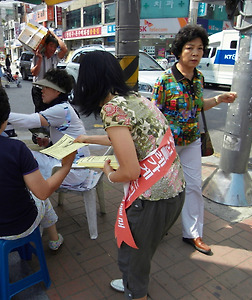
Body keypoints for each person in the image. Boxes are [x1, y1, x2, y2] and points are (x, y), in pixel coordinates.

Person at [73, 50, 186, 300]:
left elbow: (130, 171)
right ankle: (133, 284)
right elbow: (127, 138)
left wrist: (108, 172)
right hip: (174, 189)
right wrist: (87, 138)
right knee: (142, 252)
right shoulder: (136, 99)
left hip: (151, 200)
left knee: (131, 257)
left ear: (88, 81)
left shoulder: (112, 109)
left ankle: (135, 291)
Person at [0, 82, 75, 250]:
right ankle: (54, 239)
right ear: (5, 118)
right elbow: (43, 192)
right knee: (41, 199)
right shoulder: (16, 149)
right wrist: (66, 166)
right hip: (18, 226)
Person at [152, 24, 237, 256]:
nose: (196, 53)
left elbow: (198, 107)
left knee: (194, 188)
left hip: (192, 141)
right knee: (162, 189)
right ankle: (155, 230)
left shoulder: (198, 78)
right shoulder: (165, 80)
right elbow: (154, 116)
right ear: (180, 51)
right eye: (190, 48)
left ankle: (193, 233)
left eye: (200, 48)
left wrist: (219, 98)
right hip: (167, 145)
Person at [8, 68, 90, 188]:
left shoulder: (61, 109)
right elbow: (68, 139)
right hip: (74, 167)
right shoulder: (65, 107)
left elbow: (30, 121)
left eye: (46, 87)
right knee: (22, 157)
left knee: (20, 155)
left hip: (73, 171)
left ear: (57, 91)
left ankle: (32, 200)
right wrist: (49, 143)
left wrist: (1, 114)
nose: (42, 91)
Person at [31, 30, 68, 113]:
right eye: (51, 46)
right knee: (40, 112)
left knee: (50, 111)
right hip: (38, 90)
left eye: (55, 47)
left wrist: (53, 34)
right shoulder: (38, 56)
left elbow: (64, 49)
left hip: (51, 90)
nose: (53, 49)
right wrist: (40, 59)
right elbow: (34, 73)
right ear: (46, 46)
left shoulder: (55, 58)